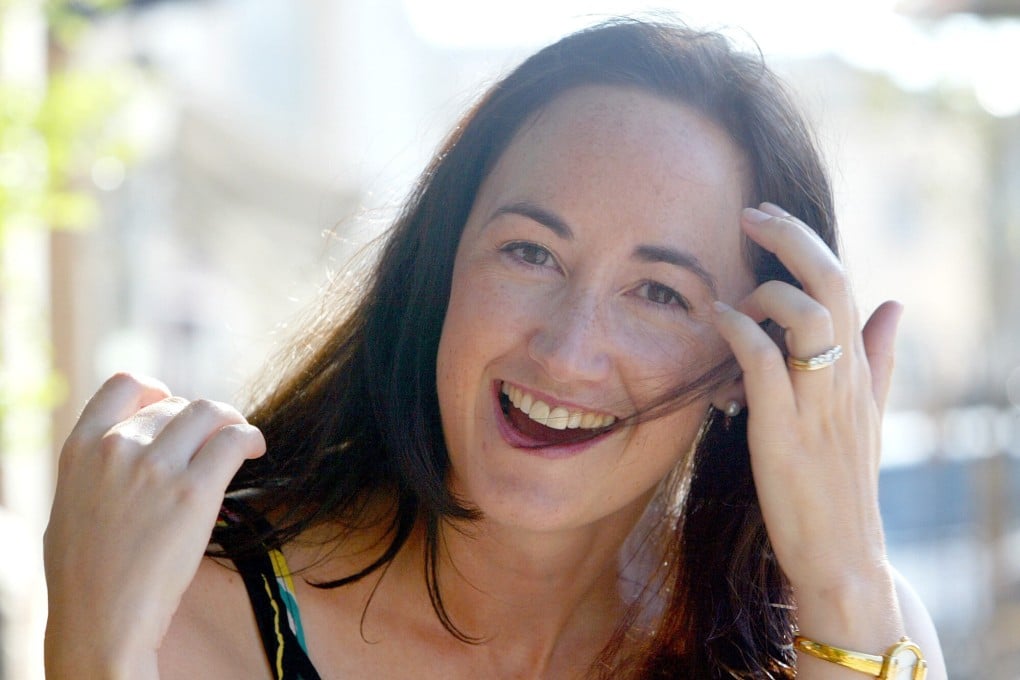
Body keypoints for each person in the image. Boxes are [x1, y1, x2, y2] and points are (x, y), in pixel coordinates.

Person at [43, 18, 947, 679]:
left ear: (750, 368)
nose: (567, 348)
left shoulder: (847, 632)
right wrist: (93, 657)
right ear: (442, 266)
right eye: (530, 252)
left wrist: (843, 584)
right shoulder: (184, 602)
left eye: (660, 293)